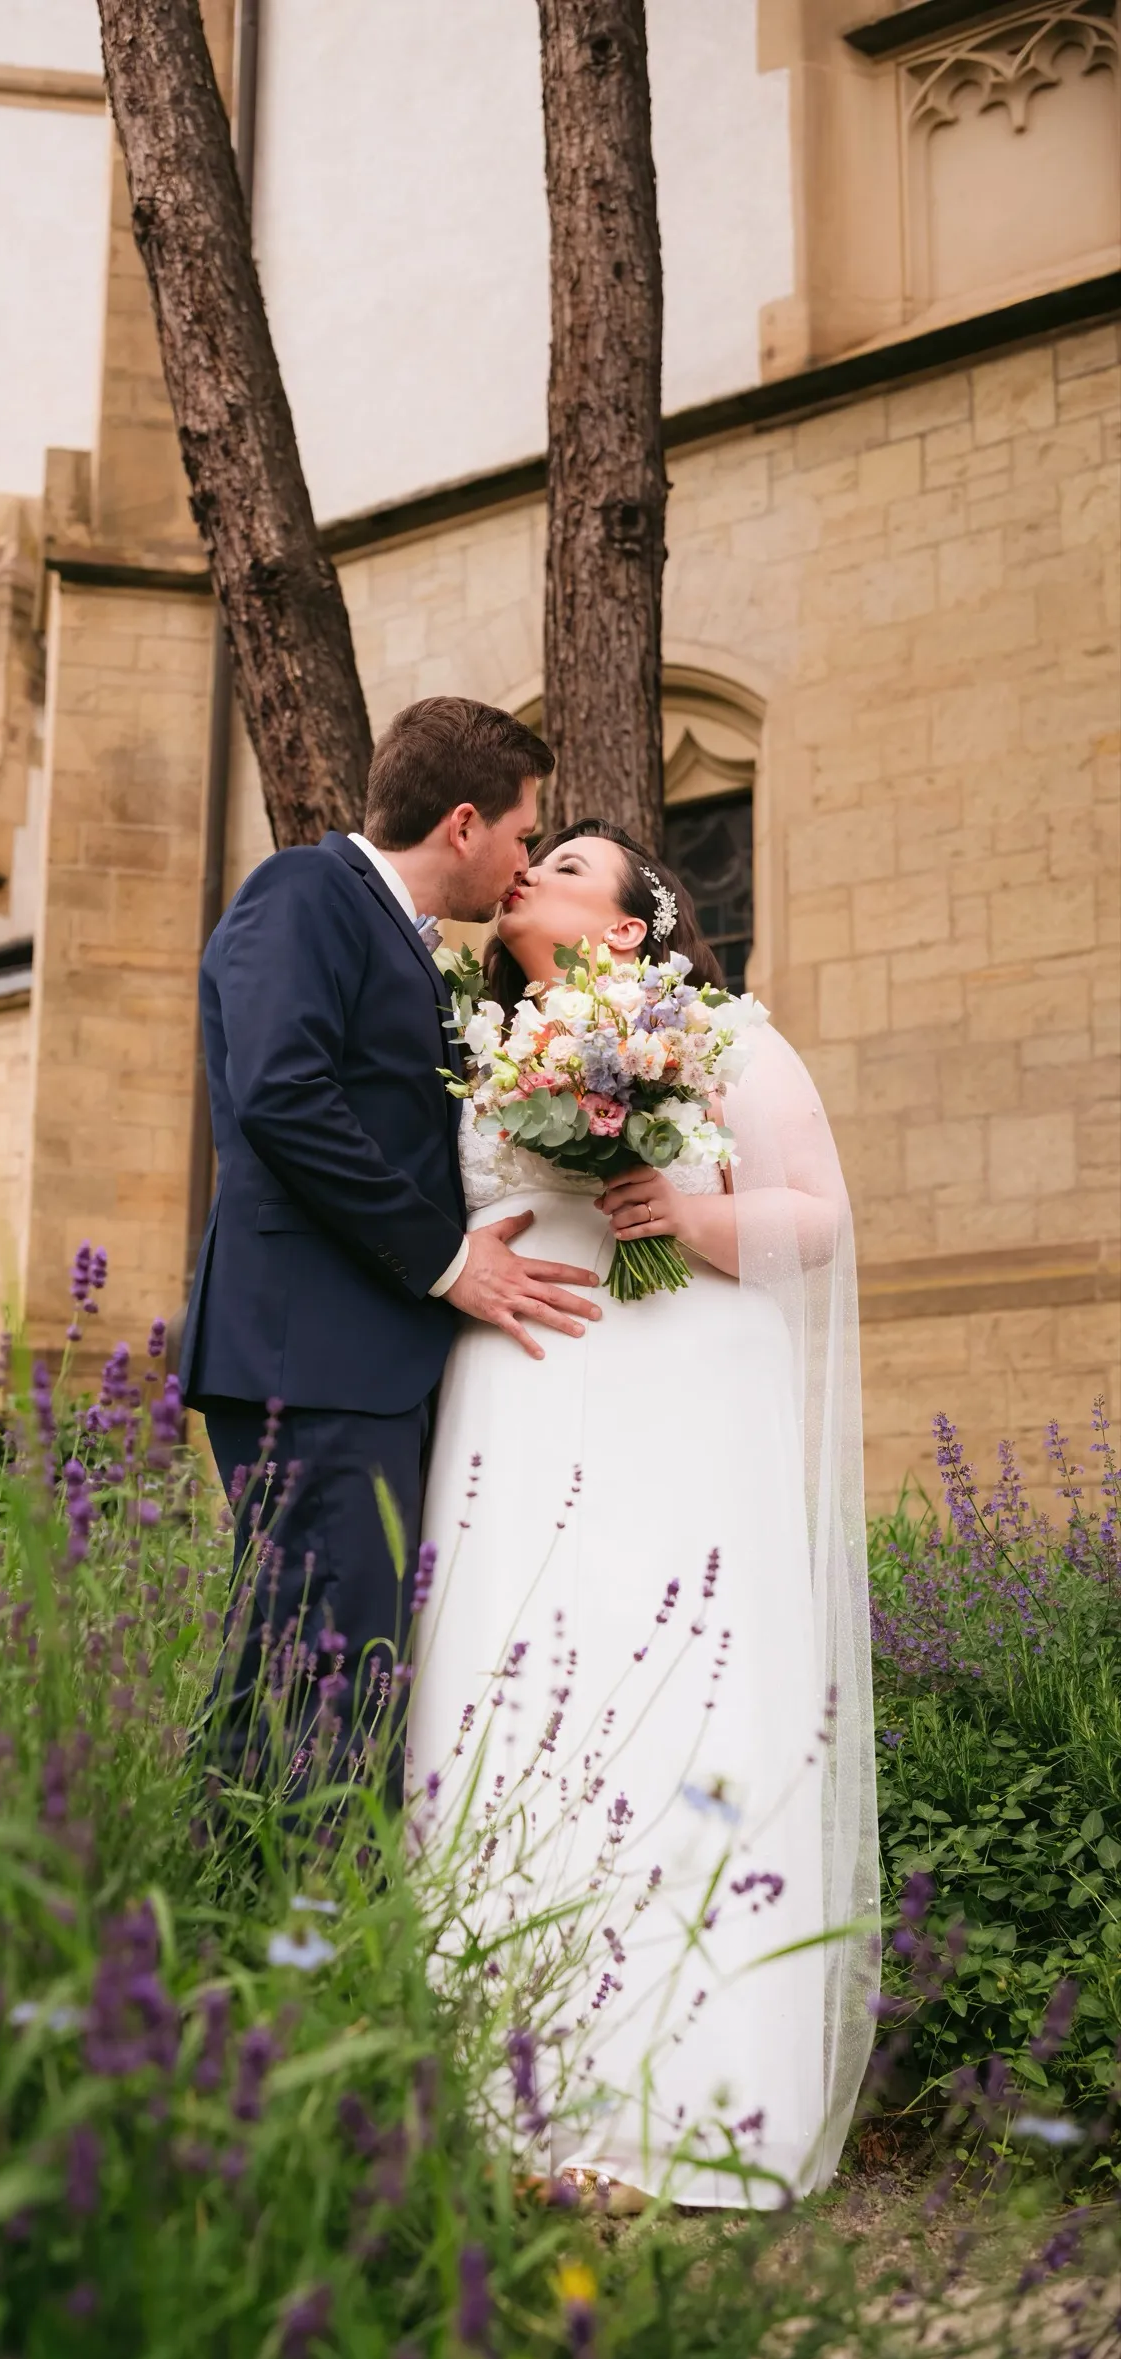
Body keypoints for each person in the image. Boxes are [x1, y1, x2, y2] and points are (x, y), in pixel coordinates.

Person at [408, 817, 879, 2209]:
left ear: (624, 929)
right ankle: (490, 2105)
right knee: (507, 1716)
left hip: (678, 1402)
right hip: (518, 1407)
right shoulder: (481, 1050)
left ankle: (671, 2114)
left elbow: (819, 1220)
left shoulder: (726, 1039)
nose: (528, 876)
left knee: (667, 1711)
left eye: (563, 869)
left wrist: (683, 1211)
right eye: (529, 857)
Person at [180, 699, 603, 1785]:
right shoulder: (305, 890)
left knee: (329, 1665)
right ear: (463, 823)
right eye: (521, 834)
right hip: (309, 1354)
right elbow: (283, 1093)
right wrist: (455, 1261)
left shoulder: (398, 944)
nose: (523, 862)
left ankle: (279, 1924)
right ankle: (271, 1931)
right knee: (318, 1674)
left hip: (359, 1360)